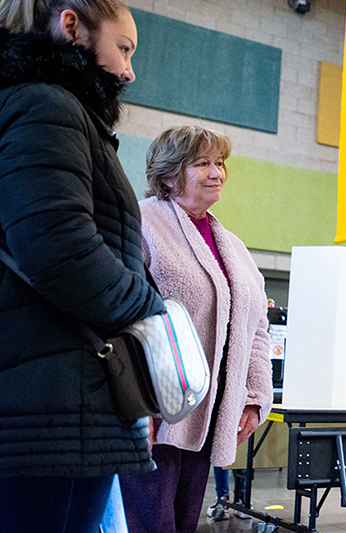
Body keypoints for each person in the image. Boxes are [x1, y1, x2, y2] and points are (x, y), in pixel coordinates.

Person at [0, 1, 166, 532]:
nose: (129, 71)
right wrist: (153, 311)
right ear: (72, 26)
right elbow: (59, 246)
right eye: (123, 48)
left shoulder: (43, 105)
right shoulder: (48, 105)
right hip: (53, 413)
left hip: (53, 403)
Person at [118, 126, 274, 533]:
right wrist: (137, 406)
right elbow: (121, 315)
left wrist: (254, 398)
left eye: (219, 163)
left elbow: (257, 328)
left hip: (208, 414)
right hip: (155, 412)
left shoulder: (234, 247)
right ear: (168, 176)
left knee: (185, 523)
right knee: (152, 525)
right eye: (202, 163)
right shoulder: (140, 221)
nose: (217, 172)